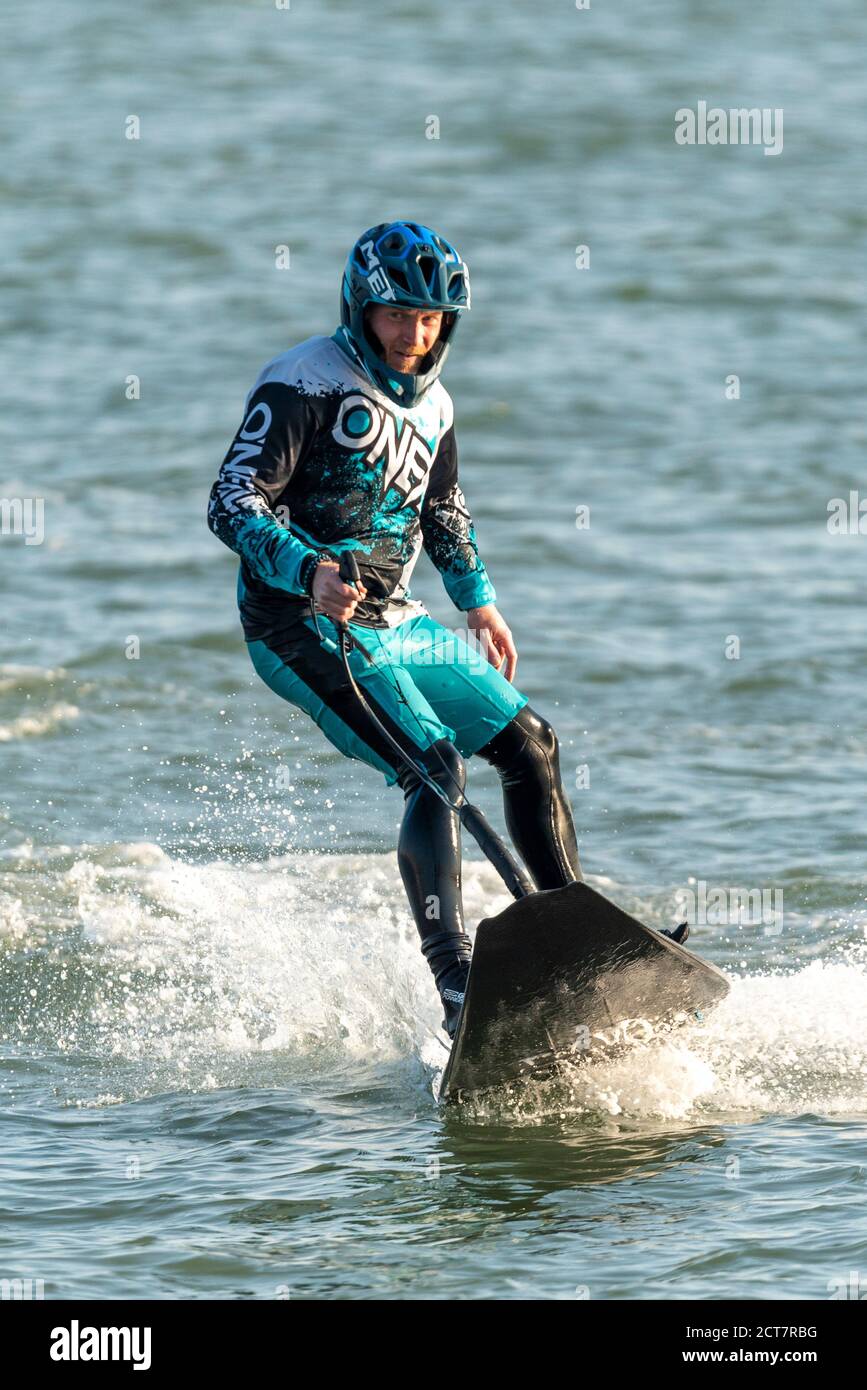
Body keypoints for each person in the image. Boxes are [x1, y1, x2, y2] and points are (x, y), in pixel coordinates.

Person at [207, 220, 583, 1038]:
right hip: (301, 625)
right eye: (397, 316)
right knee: (434, 766)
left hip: (396, 619)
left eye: (431, 320)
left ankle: (577, 941)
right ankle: (455, 984)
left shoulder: (436, 403)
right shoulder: (302, 385)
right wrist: (307, 570)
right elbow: (231, 501)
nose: (414, 336)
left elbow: (441, 507)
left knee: (530, 743)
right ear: (360, 307)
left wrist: (477, 597)